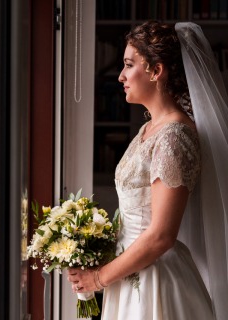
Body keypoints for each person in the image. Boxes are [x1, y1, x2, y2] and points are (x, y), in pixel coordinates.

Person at [68, 20, 228, 319]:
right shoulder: (149, 129)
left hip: (155, 281)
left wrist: (98, 278)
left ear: (156, 71)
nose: (120, 76)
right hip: (131, 270)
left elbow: (161, 236)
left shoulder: (174, 136)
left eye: (129, 65)